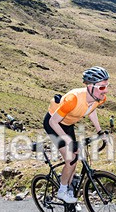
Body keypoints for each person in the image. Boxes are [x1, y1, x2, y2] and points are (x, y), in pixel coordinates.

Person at [45, 67, 108, 203]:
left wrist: (100, 131)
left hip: (67, 125)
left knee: (76, 158)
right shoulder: (73, 99)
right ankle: (62, 191)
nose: (106, 91)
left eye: (107, 86)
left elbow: (91, 110)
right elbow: (53, 122)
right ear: (90, 86)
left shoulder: (99, 98)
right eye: (102, 87)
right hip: (54, 124)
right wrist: (68, 141)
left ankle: (69, 191)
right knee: (71, 159)